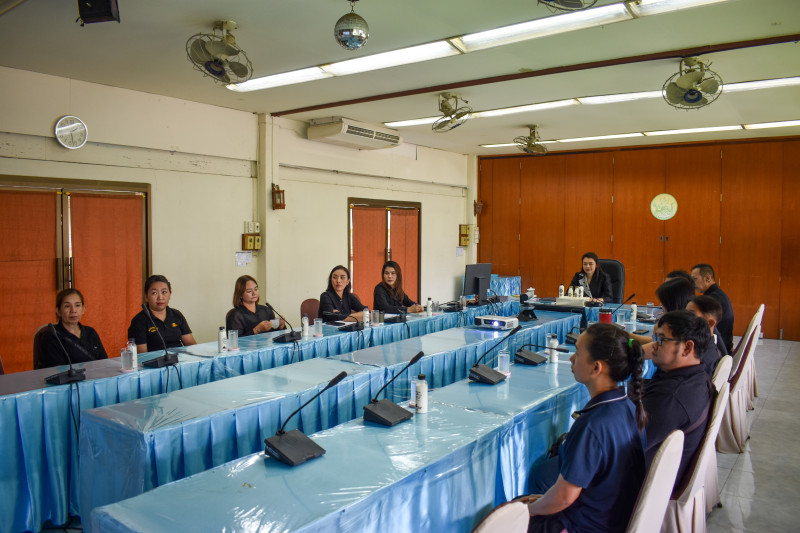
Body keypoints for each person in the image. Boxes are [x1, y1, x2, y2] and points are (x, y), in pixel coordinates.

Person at [521, 323, 647, 533]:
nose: (571, 358)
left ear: (596, 368)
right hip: (612, 516)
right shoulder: (628, 406)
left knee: (510, 513)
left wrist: (528, 511)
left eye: (578, 353)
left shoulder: (592, 426)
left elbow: (563, 498)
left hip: (586, 525)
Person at [643, 310, 714, 488]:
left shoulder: (670, 399)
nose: (653, 346)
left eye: (661, 340)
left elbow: (619, 447)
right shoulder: (697, 377)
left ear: (687, 348)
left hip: (642, 483)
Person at [37, 288, 107, 369]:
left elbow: (105, 363)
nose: (73, 310)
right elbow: (57, 372)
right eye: (67, 306)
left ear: (83, 309)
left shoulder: (90, 332)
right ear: (58, 311)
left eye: (77, 305)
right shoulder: (52, 337)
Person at [128, 275, 197, 353]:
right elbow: (142, 355)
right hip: (155, 360)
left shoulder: (176, 315)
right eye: (154, 293)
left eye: (164, 292)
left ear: (170, 294)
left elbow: (191, 345)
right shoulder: (139, 321)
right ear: (146, 297)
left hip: (180, 358)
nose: (160, 297)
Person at [691, 263, 734, 353]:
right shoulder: (716, 294)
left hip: (719, 350)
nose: (692, 283)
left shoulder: (713, 299)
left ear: (707, 278)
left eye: (695, 279)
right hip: (723, 345)